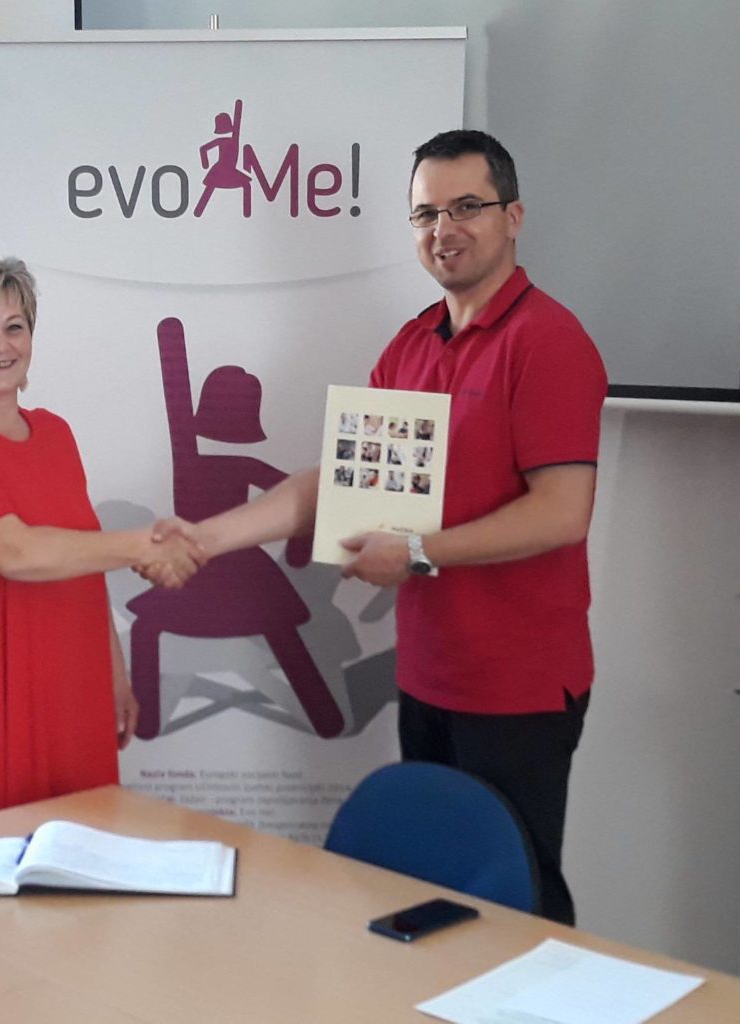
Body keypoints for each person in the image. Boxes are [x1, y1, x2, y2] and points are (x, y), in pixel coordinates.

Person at [146, 131, 607, 925]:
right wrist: (205, 539)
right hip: (427, 672)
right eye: (425, 213)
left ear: (513, 216)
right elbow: (341, 483)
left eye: (466, 207)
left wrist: (418, 552)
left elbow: (562, 512)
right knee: (439, 900)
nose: (443, 229)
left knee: (517, 905)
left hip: (517, 684)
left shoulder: (548, 342)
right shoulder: (412, 344)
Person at [0, 245, 201, 837]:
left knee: (74, 864)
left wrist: (113, 670)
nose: (0, 345)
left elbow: (79, 555)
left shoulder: (54, 433)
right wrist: (149, 544)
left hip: (65, 689)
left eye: (14, 326)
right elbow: (16, 553)